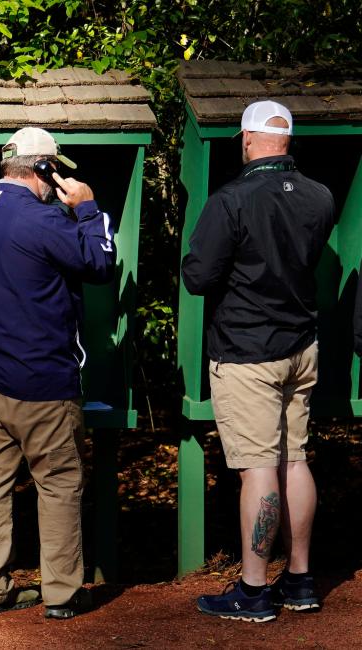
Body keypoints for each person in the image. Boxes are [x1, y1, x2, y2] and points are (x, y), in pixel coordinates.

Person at [0, 127, 117, 619]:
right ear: (43, 169)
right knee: (59, 482)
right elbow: (101, 262)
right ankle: (62, 594)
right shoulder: (44, 221)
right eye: (55, 170)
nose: (58, 178)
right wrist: (86, 207)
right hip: (44, 382)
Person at [183, 100, 335, 622]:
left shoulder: (232, 200)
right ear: (286, 140)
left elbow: (198, 278)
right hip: (301, 347)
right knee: (295, 459)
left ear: (247, 140)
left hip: (247, 354)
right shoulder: (320, 197)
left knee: (258, 468)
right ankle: (299, 580)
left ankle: (252, 591)